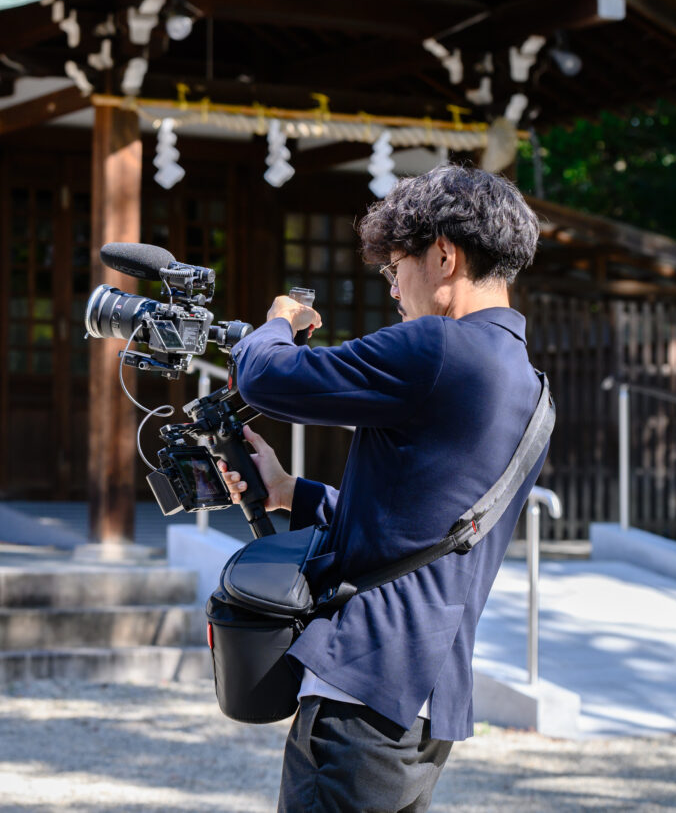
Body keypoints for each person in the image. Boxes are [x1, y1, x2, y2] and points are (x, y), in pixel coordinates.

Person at [221, 164, 548, 813]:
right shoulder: (531, 388)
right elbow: (430, 531)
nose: (394, 288)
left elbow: (265, 377)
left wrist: (278, 319)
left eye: (395, 267)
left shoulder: (437, 348)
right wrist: (291, 491)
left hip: (364, 680)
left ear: (444, 255)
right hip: (426, 697)